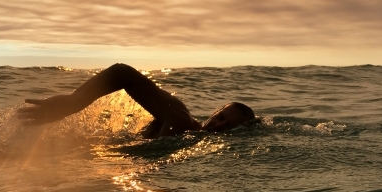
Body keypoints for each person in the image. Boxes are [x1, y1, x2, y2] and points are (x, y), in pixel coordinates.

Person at [18, 63, 256, 139]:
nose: (219, 126)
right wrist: (73, 102)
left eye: (230, 127)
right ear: (215, 112)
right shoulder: (179, 118)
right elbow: (122, 73)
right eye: (222, 117)